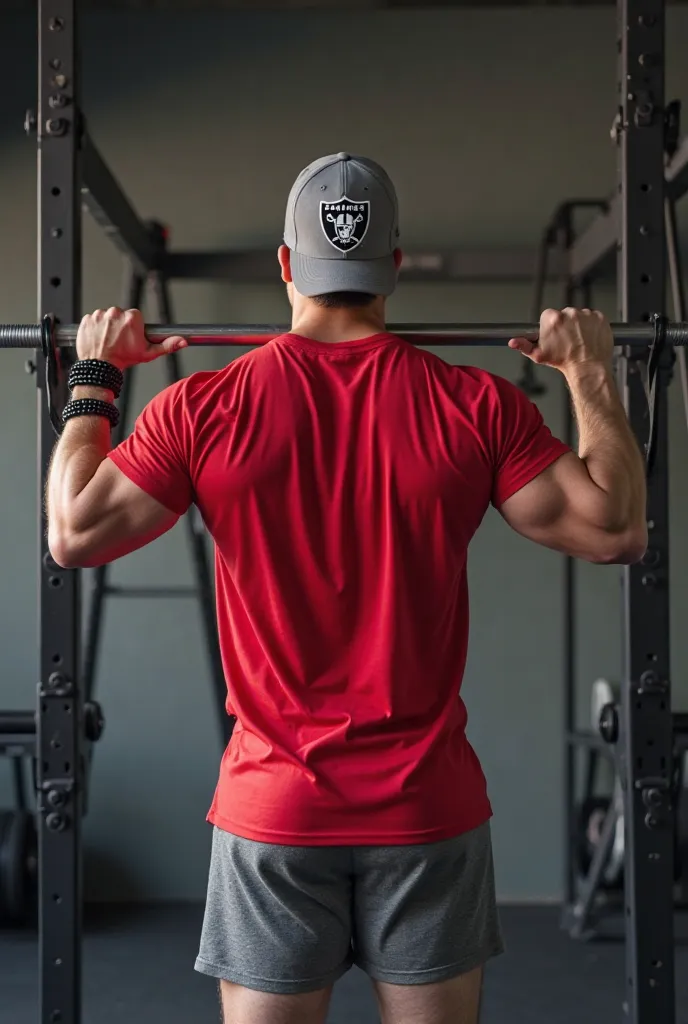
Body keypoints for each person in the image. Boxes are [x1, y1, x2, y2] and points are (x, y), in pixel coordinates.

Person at [46, 153, 648, 1024]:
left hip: (273, 811)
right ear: (392, 269)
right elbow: (616, 527)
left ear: (287, 265)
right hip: (428, 812)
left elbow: (73, 531)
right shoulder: (475, 405)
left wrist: (96, 375)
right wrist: (590, 374)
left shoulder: (202, 409)